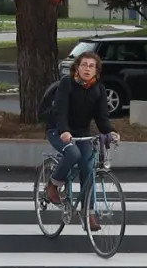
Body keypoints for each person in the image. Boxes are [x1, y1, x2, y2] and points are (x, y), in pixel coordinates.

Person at [43, 51, 120, 231]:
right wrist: (64, 131)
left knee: (88, 166)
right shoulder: (67, 84)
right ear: (77, 67)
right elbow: (60, 112)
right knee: (73, 152)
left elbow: (102, 119)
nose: (87, 68)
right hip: (58, 130)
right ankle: (53, 185)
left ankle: (89, 213)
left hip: (82, 132)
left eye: (91, 66)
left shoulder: (98, 89)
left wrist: (112, 132)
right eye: (84, 65)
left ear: (96, 71)